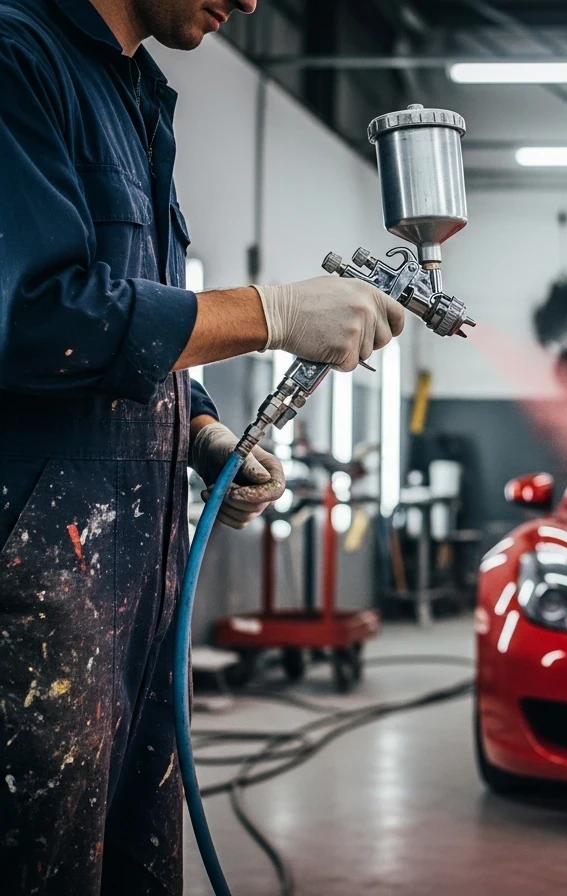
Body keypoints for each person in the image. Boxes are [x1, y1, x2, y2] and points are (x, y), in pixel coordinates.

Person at [0, 1, 406, 892]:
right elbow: (34, 318)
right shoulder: (16, 58)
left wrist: (200, 429)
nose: (254, 2)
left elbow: (135, 312)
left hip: (139, 589)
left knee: (137, 861)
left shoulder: (137, 96)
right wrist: (271, 313)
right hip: (35, 598)